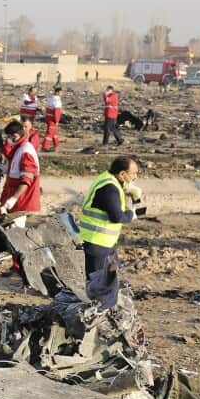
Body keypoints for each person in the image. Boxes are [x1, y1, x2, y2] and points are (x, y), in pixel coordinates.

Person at [78, 156, 141, 310]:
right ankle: (97, 310)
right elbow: (117, 216)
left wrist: (134, 196)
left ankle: (105, 306)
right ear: (122, 174)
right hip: (97, 242)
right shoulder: (110, 189)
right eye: (133, 174)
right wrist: (131, 215)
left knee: (109, 276)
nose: (135, 177)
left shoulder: (108, 179)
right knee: (99, 281)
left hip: (103, 241)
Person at [0, 119, 41, 227]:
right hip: (13, 197)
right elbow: (15, 167)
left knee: (15, 229)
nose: (7, 140)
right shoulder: (19, 148)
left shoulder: (26, 151)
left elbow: (26, 180)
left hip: (21, 201)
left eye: (9, 137)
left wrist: (14, 198)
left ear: (15, 136)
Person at [43, 87, 63, 151]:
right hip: (53, 119)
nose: (62, 93)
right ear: (57, 92)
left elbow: (47, 108)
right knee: (50, 133)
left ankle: (56, 145)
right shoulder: (57, 100)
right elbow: (57, 111)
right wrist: (57, 120)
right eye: (61, 92)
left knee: (54, 133)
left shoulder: (50, 98)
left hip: (49, 117)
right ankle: (44, 146)